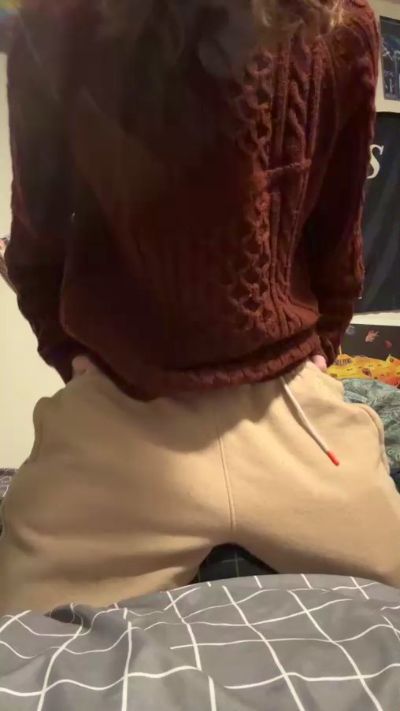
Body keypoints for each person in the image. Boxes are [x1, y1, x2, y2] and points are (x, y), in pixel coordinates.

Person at [1, 0, 399, 616]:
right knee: (15, 637)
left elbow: (336, 242)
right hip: (119, 406)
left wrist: (319, 356)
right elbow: (36, 246)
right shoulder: (53, 22)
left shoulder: (342, 27)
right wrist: (73, 359)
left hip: (286, 400)